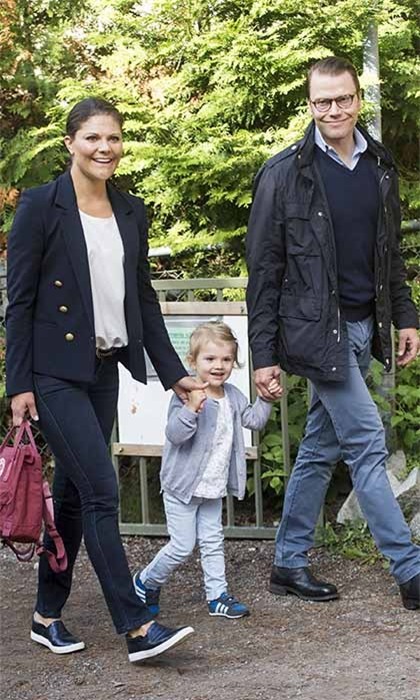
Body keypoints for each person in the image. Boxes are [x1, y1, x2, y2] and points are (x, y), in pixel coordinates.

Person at [5, 97, 207, 662]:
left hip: (102, 370)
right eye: (93, 137)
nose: (104, 148)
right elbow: (19, 303)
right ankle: (137, 626)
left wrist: (174, 374)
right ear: (70, 142)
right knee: (100, 490)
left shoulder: (130, 210)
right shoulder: (41, 205)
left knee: (73, 496)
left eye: (113, 138)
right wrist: (18, 385)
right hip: (52, 373)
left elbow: (142, 298)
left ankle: (46, 615)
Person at [246, 56, 420, 610]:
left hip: (366, 327)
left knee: (321, 447)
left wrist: (407, 317)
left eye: (343, 98)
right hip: (320, 334)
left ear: (358, 99)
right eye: (322, 101)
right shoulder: (284, 173)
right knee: (367, 443)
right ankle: (410, 570)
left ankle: (287, 562)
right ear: (310, 104)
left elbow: (390, 255)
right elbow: (264, 271)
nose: (334, 110)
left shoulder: (379, 165)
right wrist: (263, 354)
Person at [132, 321, 282, 618]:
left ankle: (217, 597)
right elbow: (175, 435)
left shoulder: (234, 396)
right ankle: (145, 581)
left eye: (226, 359)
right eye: (210, 358)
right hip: (182, 487)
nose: (218, 366)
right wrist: (191, 409)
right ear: (193, 361)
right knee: (182, 546)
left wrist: (265, 398)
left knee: (213, 542)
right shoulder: (185, 395)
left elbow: (253, 420)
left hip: (213, 487)